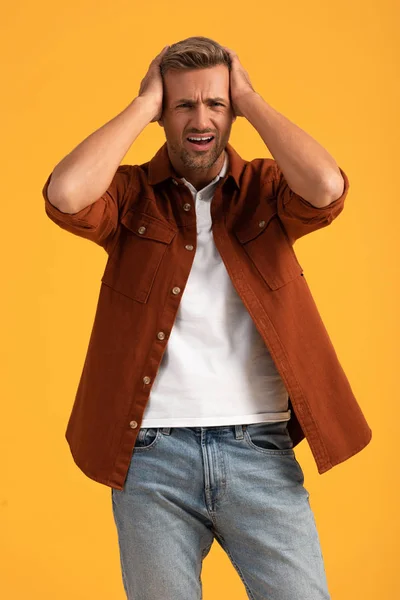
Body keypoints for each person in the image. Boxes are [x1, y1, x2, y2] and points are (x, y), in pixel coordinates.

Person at [43, 36, 372, 600]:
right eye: (184, 105)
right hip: (150, 457)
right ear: (165, 115)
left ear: (233, 110)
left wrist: (249, 95)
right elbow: (66, 194)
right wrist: (143, 104)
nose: (202, 119)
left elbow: (325, 187)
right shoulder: (129, 197)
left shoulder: (266, 190)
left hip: (259, 449)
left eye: (216, 104)